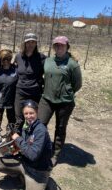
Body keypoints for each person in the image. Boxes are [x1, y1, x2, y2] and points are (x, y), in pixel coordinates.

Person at [38, 36, 82, 166]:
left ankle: (56, 153)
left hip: (65, 102)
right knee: (40, 124)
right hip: (47, 99)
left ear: (67, 47)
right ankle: (40, 149)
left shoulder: (72, 64)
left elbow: (77, 84)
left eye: (61, 45)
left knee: (60, 127)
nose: (59, 47)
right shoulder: (48, 61)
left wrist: (66, 92)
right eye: (56, 45)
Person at [0, 100, 52, 190]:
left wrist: (18, 139)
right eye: (26, 114)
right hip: (24, 163)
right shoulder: (26, 126)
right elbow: (23, 146)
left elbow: (32, 155)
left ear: (37, 112)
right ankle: (20, 175)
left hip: (37, 172)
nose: (28, 116)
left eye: (31, 113)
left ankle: (45, 181)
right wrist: (9, 148)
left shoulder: (40, 130)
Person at [0, 49, 18, 157]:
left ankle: (11, 145)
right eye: (3, 59)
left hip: (12, 101)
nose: (6, 61)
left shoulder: (15, 70)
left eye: (8, 59)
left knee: (12, 124)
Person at [14, 33, 46, 132]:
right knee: (19, 117)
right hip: (20, 91)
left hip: (35, 92)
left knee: (32, 118)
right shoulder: (19, 57)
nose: (30, 44)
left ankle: (32, 139)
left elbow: (50, 72)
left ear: (36, 43)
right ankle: (17, 140)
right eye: (28, 42)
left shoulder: (41, 58)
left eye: (33, 42)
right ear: (24, 43)